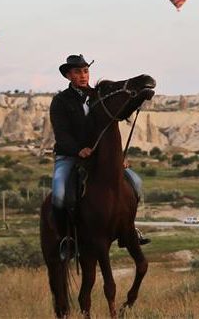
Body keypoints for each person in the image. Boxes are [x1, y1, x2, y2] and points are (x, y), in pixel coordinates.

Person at [50, 54, 149, 260]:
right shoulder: (60, 101)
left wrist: (140, 98)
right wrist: (78, 149)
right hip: (70, 156)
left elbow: (118, 115)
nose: (83, 75)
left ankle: (128, 229)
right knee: (59, 193)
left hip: (101, 156)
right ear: (68, 75)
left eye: (85, 71)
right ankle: (67, 239)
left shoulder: (99, 96)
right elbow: (62, 134)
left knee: (136, 183)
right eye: (77, 72)